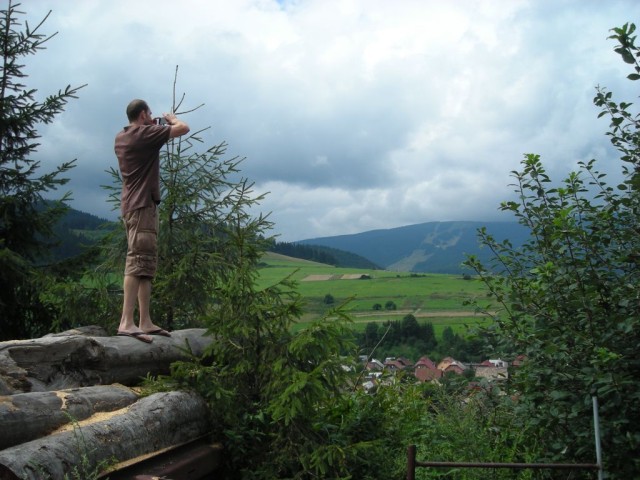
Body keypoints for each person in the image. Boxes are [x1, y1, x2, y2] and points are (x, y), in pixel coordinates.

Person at [114, 99, 190, 343]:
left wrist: (154, 126)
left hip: (136, 205)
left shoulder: (123, 136)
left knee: (145, 264)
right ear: (143, 114)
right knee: (137, 260)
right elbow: (183, 128)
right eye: (149, 114)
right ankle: (127, 322)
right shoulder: (143, 134)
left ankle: (145, 321)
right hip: (141, 206)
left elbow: (147, 137)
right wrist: (171, 119)